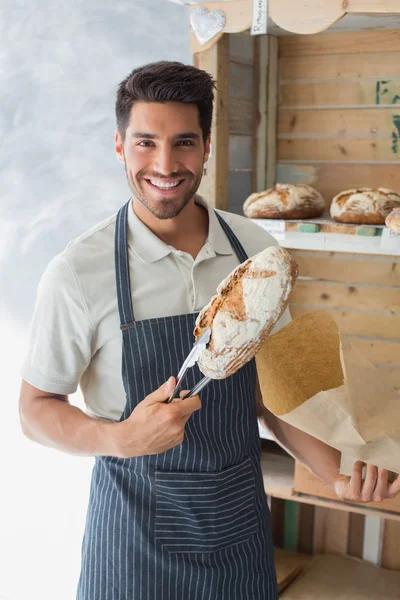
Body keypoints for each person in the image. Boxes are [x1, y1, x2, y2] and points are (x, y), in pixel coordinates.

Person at [19, 61, 400, 600]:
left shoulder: (257, 253)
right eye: (146, 143)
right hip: (134, 544)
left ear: (206, 147)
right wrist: (119, 439)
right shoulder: (80, 272)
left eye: (184, 142)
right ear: (119, 145)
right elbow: (35, 407)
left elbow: (273, 396)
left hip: (239, 534)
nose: (165, 164)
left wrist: (336, 474)